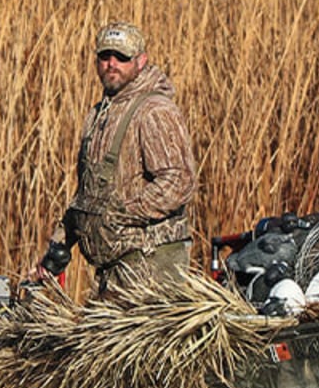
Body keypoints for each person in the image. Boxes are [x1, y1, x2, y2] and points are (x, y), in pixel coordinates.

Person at [32, 21, 199, 298]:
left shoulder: (154, 110)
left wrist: (120, 214)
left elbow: (179, 181)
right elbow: (89, 193)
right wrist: (60, 246)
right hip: (115, 270)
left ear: (141, 61)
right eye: (105, 56)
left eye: (122, 58)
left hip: (150, 269)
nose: (112, 64)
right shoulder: (99, 115)